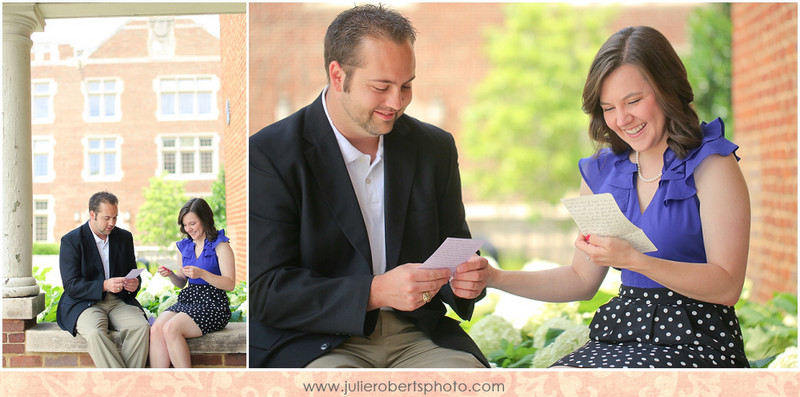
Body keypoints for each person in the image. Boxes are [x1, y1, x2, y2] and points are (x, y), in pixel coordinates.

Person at [487, 26, 751, 368]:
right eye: (608, 107)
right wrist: (495, 277)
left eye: (634, 101)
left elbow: (728, 286)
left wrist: (636, 260)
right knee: (555, 383)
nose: (622, 120)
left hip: (698, 336)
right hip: (621, 332)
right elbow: (580, 279)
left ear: (667, 89)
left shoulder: (712, 163)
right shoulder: (601, 173)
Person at [249, 4, 490, 368]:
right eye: (381, 87)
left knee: (470, 383)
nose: (397, 102)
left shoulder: (435, 148)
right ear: (337, 75)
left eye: (406, 85)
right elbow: (264, 291)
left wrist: (466, 279)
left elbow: (453, 250)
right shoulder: (270, 154)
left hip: (418, 335)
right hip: (316, 341)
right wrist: (374, 292)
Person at [56, 191, 149, 368]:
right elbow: (70, 285)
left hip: (119, 301)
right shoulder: (71, 241)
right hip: (84, 303)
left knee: (141, 328)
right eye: (107, 218)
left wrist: (133, 284)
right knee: (94, 333)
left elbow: (133, 274)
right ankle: (126, 387)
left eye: (115, 217)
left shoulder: (124, 237)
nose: (112, 223)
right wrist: (104, 285)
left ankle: (123, 386)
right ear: (92, 214)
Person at [149, 198, 235, 368]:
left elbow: (230, 284)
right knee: (157, 328)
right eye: (185, 225)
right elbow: (181, 283)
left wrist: (203, 273)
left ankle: (187, 385)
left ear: (204, 219)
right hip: (189, 299)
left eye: (192, 223)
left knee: (171, 328)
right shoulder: (185, 246)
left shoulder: (221, 245)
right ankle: (158, 383)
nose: (188, 229)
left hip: (213, 303)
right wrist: (171, 274)